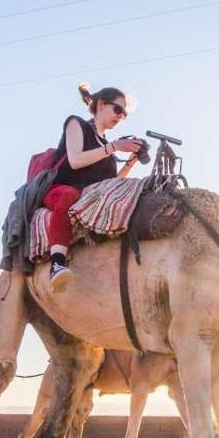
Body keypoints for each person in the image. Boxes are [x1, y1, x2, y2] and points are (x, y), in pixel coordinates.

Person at [44, 82, 142, 291]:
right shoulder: (75, 124)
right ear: (100, 105)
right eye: (117, 109)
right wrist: (114, 147)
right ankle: (57, 264)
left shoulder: (107, 149)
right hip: (61, 189)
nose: (120, 116)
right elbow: (75, 160)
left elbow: (112, 184)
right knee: (69, 194)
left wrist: (131, 162)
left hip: (90, 195)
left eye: (124, 114)